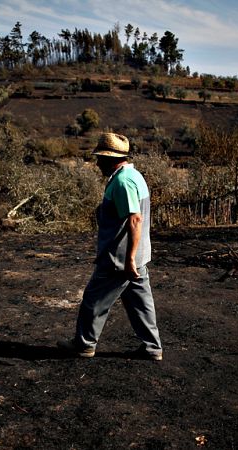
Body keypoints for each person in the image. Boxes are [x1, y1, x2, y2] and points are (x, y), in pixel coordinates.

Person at [57, 132, 163, 361]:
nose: (97, 163)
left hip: (120, 258)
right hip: (139, 256)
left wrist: (129, 260)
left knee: (93, 300)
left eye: (100, 158)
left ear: (110, 158)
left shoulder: (122, 181)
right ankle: (152, 348)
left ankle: (83, 345)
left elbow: (135, 219)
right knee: (140, 303)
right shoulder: (134, 175)